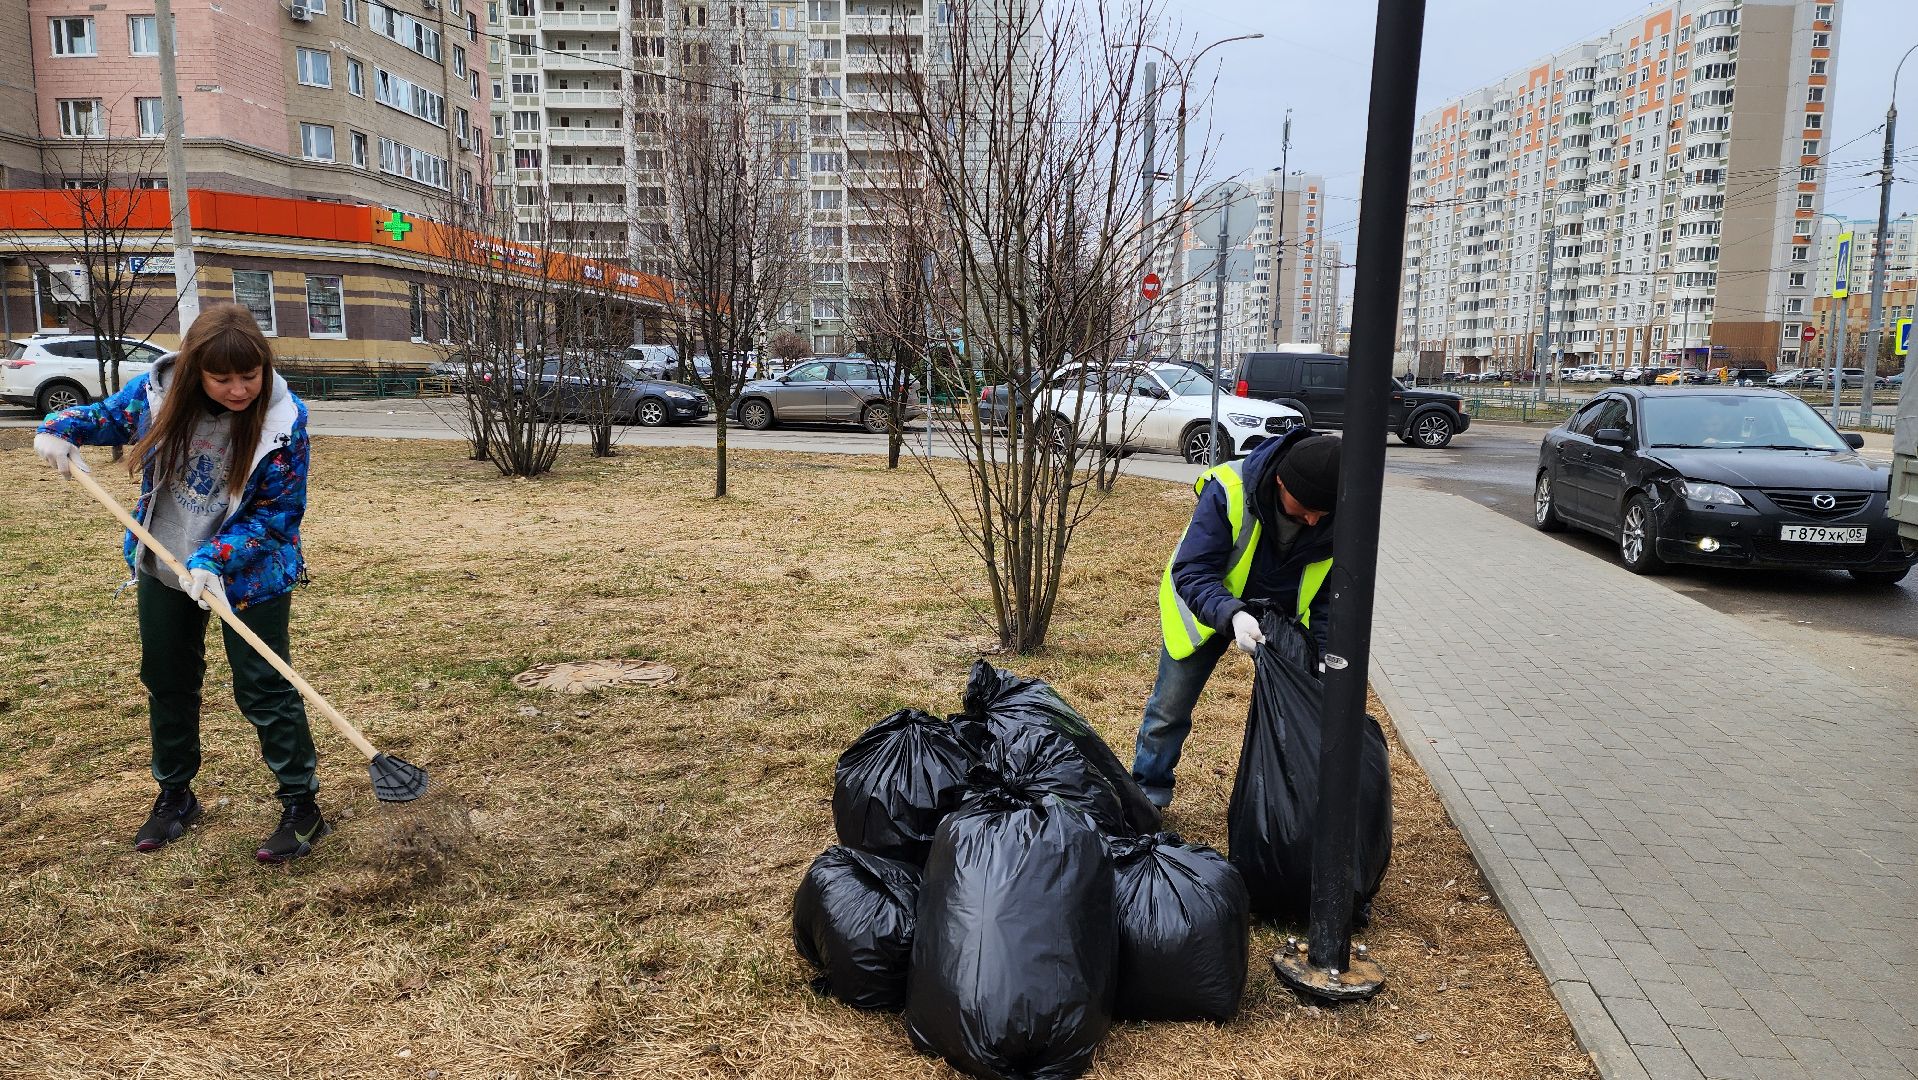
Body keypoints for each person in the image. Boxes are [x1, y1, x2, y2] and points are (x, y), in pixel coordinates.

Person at [32, 303, 326, 863]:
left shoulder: (283, 423)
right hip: (164, 563)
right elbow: (108, 419)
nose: (239, 389)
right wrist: (58, 427)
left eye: (250, 375)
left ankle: (301, 804)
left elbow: (279, 513)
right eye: (223, 379)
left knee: (265, 687)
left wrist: (216, 559)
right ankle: (174, 796)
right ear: (196, 372)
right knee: (168, 678)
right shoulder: (157, 396)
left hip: (248, 576)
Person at [1131, 429, 1341, 809]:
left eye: (1323, 511)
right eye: (1305, 505)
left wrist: (1323, 652)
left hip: (1281, 616)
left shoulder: (1336, 517)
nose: (1312, 520)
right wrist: (1234, 615)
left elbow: (1328, 596)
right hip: (1208, 607)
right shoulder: (1228, 489)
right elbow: (1192, 571)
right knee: (1169, 709)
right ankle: (1149, 793)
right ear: (1280, 480)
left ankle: (1284, 809)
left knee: (1293, 713)